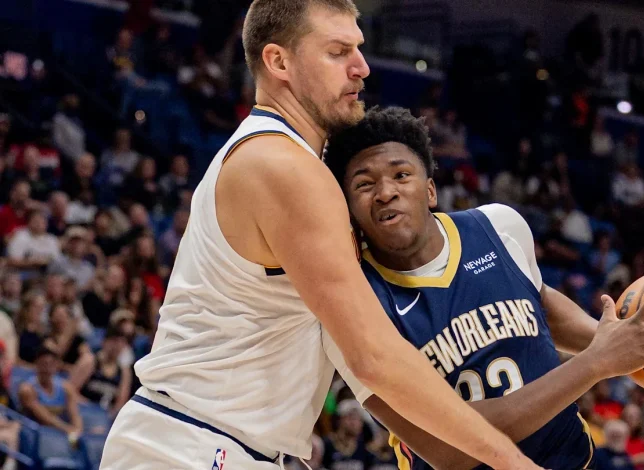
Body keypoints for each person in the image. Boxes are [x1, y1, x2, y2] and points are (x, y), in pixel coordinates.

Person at [100, 1, 534, 469]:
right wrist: (513, 462)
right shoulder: (284, 168)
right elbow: (373, 357)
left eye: (359, 49)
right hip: (194, 444)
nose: (361, 67)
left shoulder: (283, 161)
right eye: (337, 51)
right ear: (278, 61)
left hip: (219, 444)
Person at [322, 106, 644, 469]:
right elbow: (448, 451)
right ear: (349, 211)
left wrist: (635, 345)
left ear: (430, 191)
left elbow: (540, 305)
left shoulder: (498, 226)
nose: (386, 191)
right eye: (364, 184)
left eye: (401, 175)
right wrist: (595, 363)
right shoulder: (350, 306)